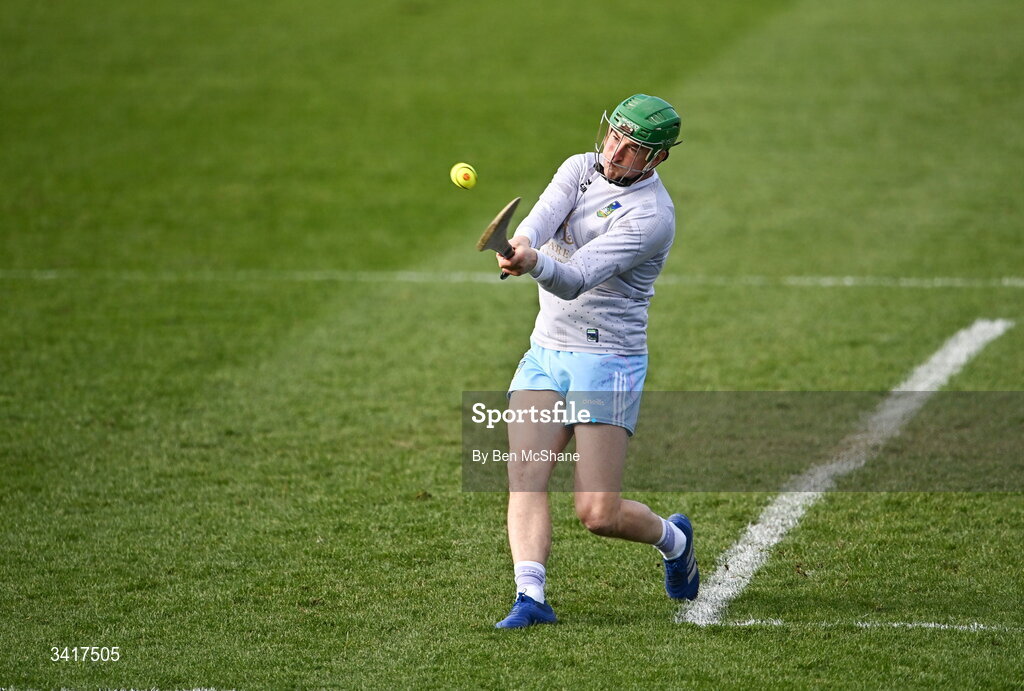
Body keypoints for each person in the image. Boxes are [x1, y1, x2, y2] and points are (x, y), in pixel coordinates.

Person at [492, 94, 699, 629]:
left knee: (598, 514)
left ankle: (674, 541)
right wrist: (518, 243)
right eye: (614, 137)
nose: (616, 153)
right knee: (525, 475)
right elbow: (542, 217)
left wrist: (531, 263)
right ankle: (530, 597)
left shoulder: (651, 217)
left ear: (657, 160)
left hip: (606, 360)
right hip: (545, 352)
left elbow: (577, 276)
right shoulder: (579, 167)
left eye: (634, 150)